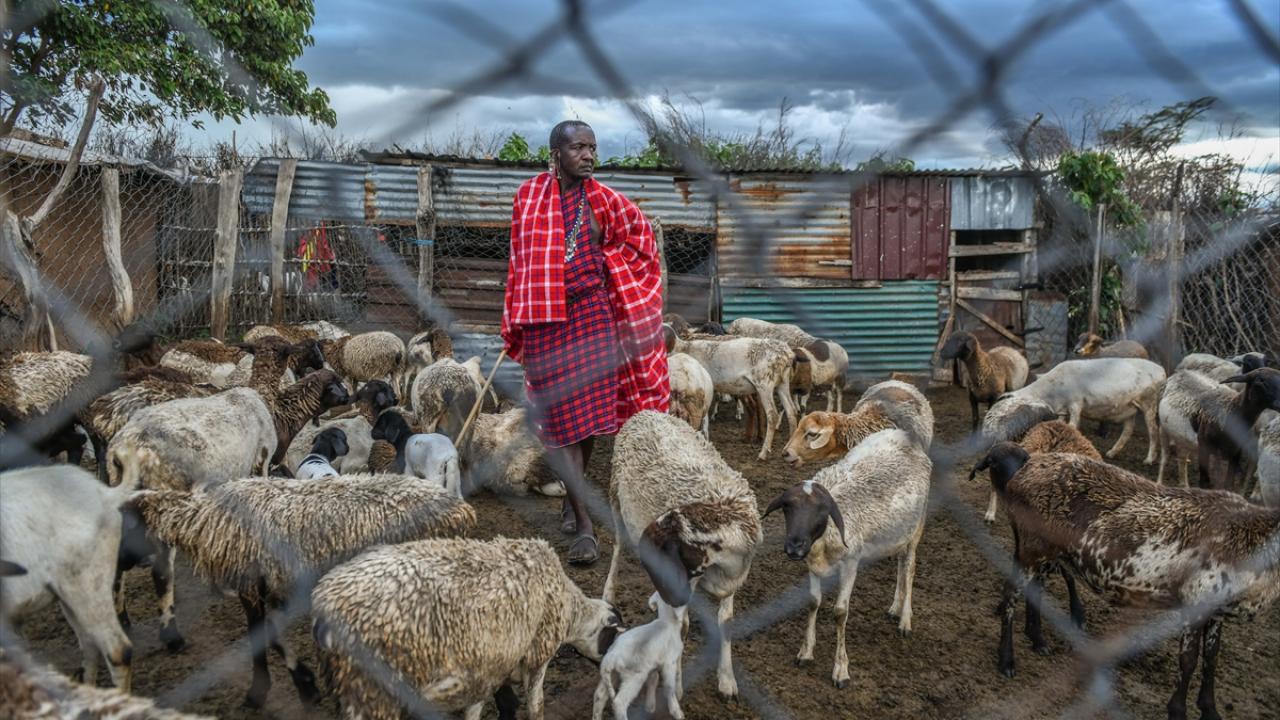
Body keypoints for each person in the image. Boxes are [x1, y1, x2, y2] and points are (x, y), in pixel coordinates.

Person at [501, 120, 669, 564]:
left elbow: (642, 244)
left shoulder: (606, 202)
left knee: (587, 420)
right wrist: (518, 311)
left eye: (592, 148)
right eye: (578, 147)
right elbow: (520, 262)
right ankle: (585, 525)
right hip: (545, 322)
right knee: (558, 423)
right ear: (556, 154)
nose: (589, 155)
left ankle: (574, 506)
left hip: (592, 318)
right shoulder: (528, 198)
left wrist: (612, 268)